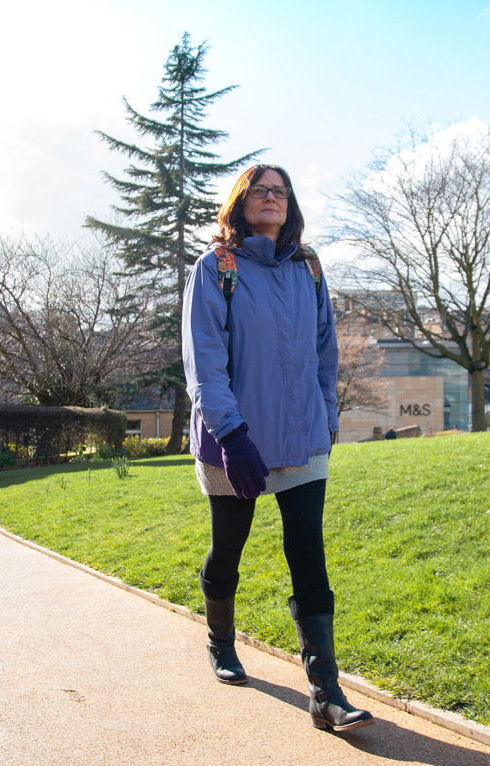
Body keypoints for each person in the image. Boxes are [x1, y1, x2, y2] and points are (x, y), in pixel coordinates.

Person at [181, 164, 374, 732]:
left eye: (281, 192)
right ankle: (220, 641)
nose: (272, 198)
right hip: (234, 440)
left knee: (308, 553)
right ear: (241, 202)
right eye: (261, 190)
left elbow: (325, 352)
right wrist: (231, 433)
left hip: (301, 436)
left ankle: (326, 693)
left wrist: (327, 418)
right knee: (229, 548)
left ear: (289, 205)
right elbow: (204, 360)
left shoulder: (308, 268)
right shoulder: (216, 268)